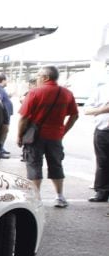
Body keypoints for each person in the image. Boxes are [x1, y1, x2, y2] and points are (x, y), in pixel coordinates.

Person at [17, 66, 79, 208]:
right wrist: (63, 131)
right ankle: (60, 197)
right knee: (56, 165)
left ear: (45, 77)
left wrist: (19, 136)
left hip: (35, 137)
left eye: (38, 76)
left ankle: (36, 200)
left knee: (34, 166)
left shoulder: (34, 93)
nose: (37, 79)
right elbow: (74, 116)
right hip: (55, 137)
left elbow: (24, 118)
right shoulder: (67, 93)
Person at [82, 80, 109, 203]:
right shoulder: (102, 89)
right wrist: (104, 109)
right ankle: (102, 192)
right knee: (102, 163)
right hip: (103, 130)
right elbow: (87, 110)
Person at [0, 74, 14, 158]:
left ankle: (0, 148)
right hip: (2, 116)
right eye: (6, 80)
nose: (6, 82)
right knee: (1, 133)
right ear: (3, 80)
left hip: (3, 115)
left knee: (2, 133)